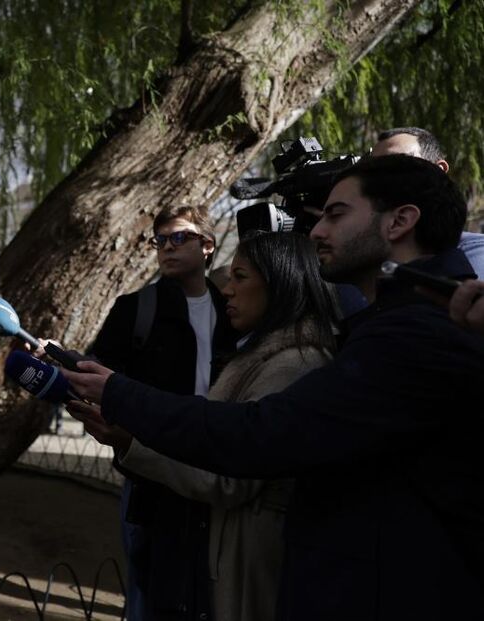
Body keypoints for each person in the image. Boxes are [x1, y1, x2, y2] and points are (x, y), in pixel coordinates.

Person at [64, 155, 484, 620]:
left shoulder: (418, 334)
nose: (318, 232)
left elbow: (257, 436)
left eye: (335, 213)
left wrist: (121, 395)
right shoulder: (400, 323)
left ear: (401, 221)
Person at [82, 232, 336, 621]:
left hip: (245, 569)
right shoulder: (262, 356)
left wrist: (132, 440)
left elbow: (228, 475)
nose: (228, 291)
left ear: (280, 281)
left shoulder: (293, 365)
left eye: (240, 277)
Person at [87, 205, 237, 620]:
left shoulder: (234, 310)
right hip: (151, 475)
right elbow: (99, 377)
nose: (167, 248)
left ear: (207, 246)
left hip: (215, 466)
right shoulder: (135, 309)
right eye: (160, 240)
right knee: (148, 591)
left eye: (179, 238)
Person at [372, 126, 484, 276]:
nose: (381, 179)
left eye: (398, 164)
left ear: (439, 169)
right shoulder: (355, 258)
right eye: (373, 170)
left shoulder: (475, 253)